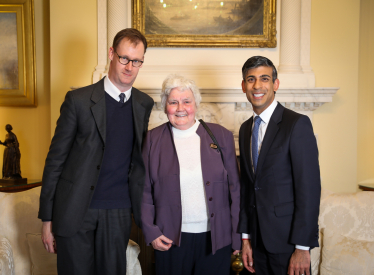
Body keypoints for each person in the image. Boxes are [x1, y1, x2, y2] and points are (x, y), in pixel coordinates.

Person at [38, 28, 154, 274]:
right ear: (112, 53)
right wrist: (47, 219)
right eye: (124, 58)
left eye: (136, 61)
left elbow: (137, 162)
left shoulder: (144, 104)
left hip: (119, 212)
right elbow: (55, 161)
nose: (129, 67)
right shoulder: (77, 101)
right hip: (75, 210)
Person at [141, 74, 241, 275]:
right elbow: (143, 191)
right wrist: (151, 232)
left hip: (216, 239)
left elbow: (236, 190)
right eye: (173, 102)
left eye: (187, 101)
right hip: (170, 239)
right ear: (165, 106)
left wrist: (237, 237)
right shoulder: (152, 139)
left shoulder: (221, 136)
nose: (180, 108)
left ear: (196, 104)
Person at [238, 56, 321, 275]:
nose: (257, 86)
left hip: (288, 245)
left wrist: (302, 248)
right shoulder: (246, 128)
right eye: (251, 79)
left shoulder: (297, 124)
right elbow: (248, 188)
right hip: (256, 245)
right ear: (243, 86)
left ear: (275, 84)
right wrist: (245, 238)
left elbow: (309, 190)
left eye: (264, 79)